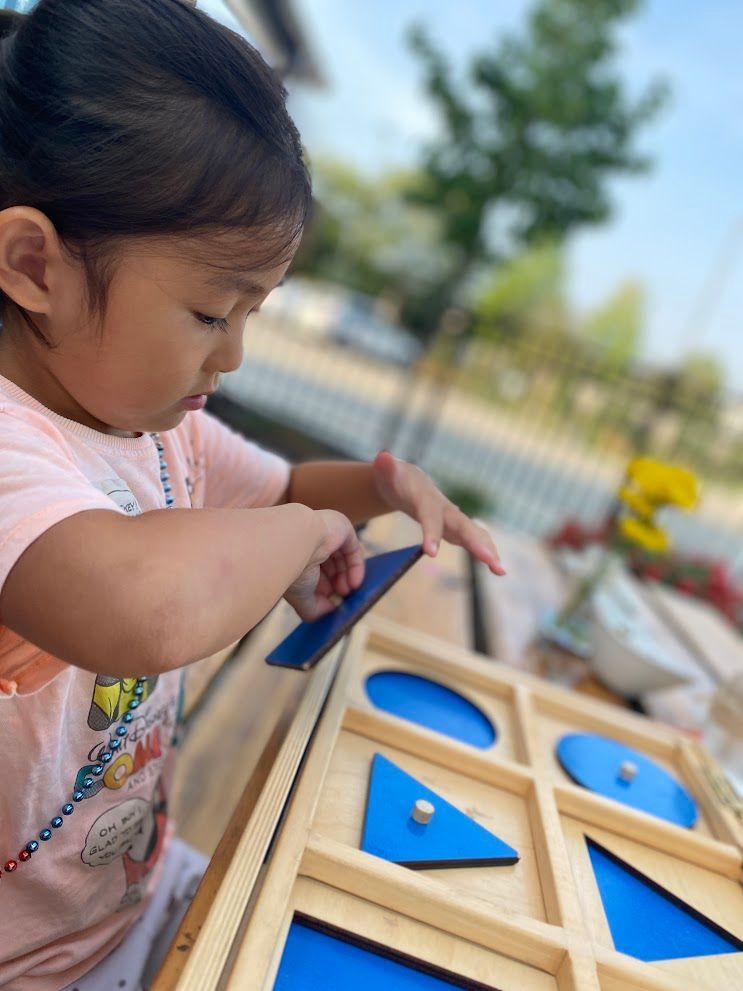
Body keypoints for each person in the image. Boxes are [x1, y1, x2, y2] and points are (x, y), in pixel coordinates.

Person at [0, 1, 505, 988]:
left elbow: (281, 486)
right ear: (33, 265)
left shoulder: (156, 424)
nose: (232, 354)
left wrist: (375, 486)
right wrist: (304, 530)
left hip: (122, 902)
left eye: (252, 313)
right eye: (209, 310)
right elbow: (140, 607)